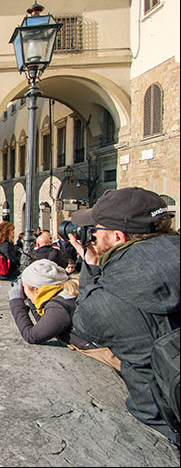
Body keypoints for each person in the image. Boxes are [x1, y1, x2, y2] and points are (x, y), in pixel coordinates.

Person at [68, 187, 180, 445]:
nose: (92, 236)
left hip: (163, 416)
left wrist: (92, 269)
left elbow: (84, 323)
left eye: (95, 231)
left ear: (118, 237)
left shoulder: (111, 292)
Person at [8, 259, 121, 370]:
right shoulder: (67, 290)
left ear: (37, 289)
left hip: (113, 357)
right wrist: (31, 300)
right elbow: (44, 324)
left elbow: (32, 336)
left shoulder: (60, 307)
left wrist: (16, 302)